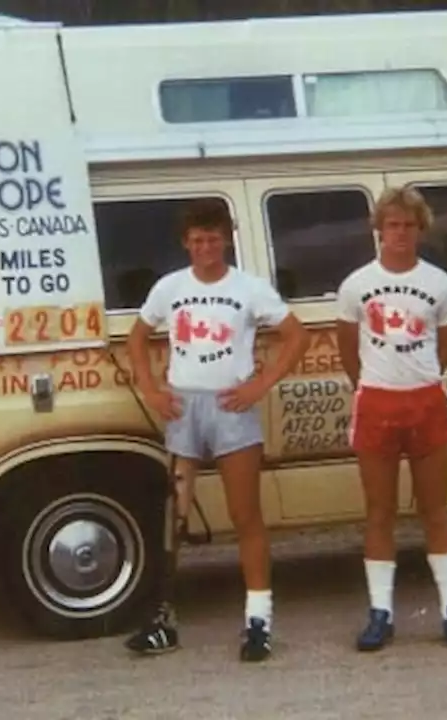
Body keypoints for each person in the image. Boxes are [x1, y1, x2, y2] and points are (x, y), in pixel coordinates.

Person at [123, 198, 309, 662]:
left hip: (231, 406)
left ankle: (258, 621)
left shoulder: (249, 287)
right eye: (197, 239)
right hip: (185, 407)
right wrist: (151, 389)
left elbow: (296, 335)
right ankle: (163, 620)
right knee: (174, 517)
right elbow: (137, 336)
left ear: (226, 239)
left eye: (213, 238)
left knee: (245, 515)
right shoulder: (171, 287)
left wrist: (260, 384)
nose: (206, 247)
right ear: (186, 243)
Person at [335, 185, 447, 652]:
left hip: (426, 403)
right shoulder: (356, 284)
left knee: (435, 510)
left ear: (420, 229)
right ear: (379, 230)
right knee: (379, 512)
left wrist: (420, 378)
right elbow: (348, 351)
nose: (399, 233)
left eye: (408, 225)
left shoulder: (440, 284)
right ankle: (381, 613)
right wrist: (376, 384)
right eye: (391, 225)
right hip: (376, 403)